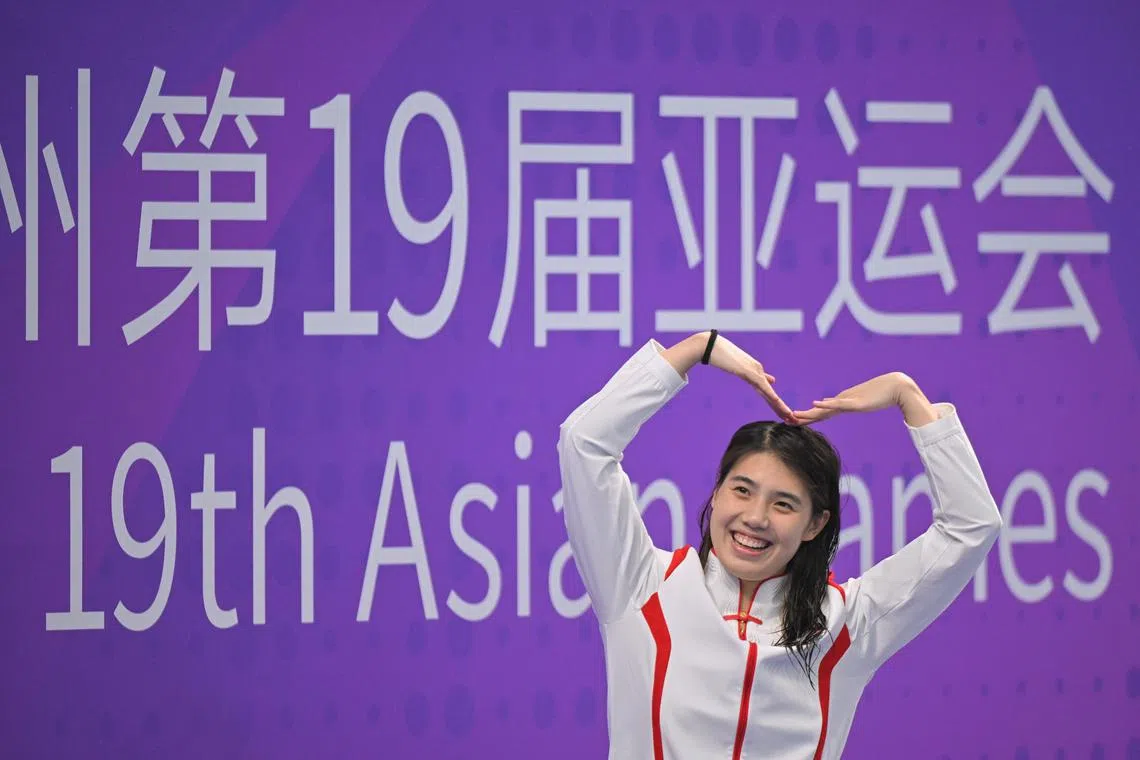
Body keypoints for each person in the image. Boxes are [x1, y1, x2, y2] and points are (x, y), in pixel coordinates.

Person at [556, 331, 1002, 760]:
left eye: (784, 504)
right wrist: (695, 349)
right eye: (742, 490)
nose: (755, 518)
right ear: (716, 492)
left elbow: (971, 525)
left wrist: (910, 398)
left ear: (815, 524)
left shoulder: (848, 623)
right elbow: (584, 444)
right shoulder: (641, 585)